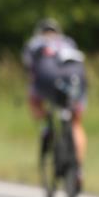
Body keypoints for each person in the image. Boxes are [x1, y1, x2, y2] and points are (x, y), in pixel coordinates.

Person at [22, 18, 87, 187]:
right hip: (75, 80)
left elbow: (30, 69)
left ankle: (47, 125)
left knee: (35, 102)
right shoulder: (68, 42)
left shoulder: (35, 43)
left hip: (47, 82)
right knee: (76, 123)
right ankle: (78, 168)